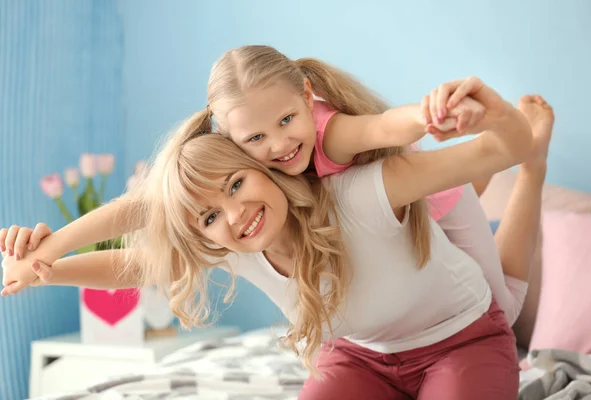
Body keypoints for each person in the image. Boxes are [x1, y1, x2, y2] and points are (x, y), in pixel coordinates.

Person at [2, 77, 533, 399]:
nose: (235, 216)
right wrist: (46, 267)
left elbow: (496, 151)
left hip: (460, 338)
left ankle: (538, 175)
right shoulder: (234, 246)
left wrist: (499, 116)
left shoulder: (362, 191)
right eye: (208, 217)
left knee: (500, 288)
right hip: (361, 355)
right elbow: (144, 263)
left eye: (236, 184)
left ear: (264, 166)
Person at [1, 46, 549, 324]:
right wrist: (48, 257)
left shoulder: (327, 136)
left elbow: (385, 127)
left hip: (430, 197)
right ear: (234, 139)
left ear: (307, 98)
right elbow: (141, 222)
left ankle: (530, 168)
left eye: (288, 122)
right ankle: (490, 171)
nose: (281, 146)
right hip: (402, 204)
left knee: (504, 305)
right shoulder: (237, 181)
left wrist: (431, 116)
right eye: (257, 137)